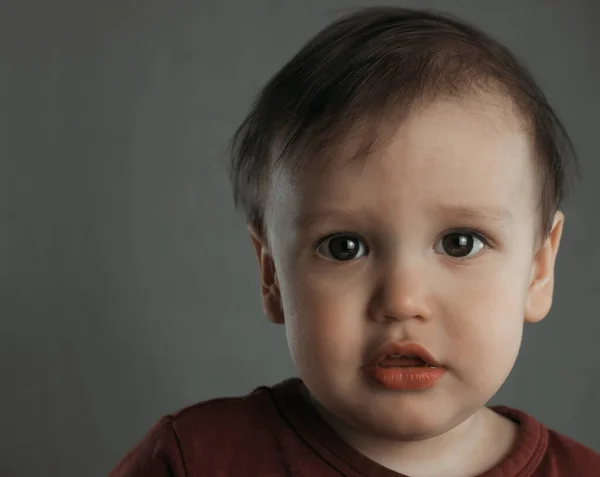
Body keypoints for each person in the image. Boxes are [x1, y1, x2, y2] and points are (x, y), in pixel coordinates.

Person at [108, 7, 600, 477]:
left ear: (538, 269)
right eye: (344, 247)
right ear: (272, 274)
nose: (402, 301)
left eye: (460, 243)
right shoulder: (199, 461)